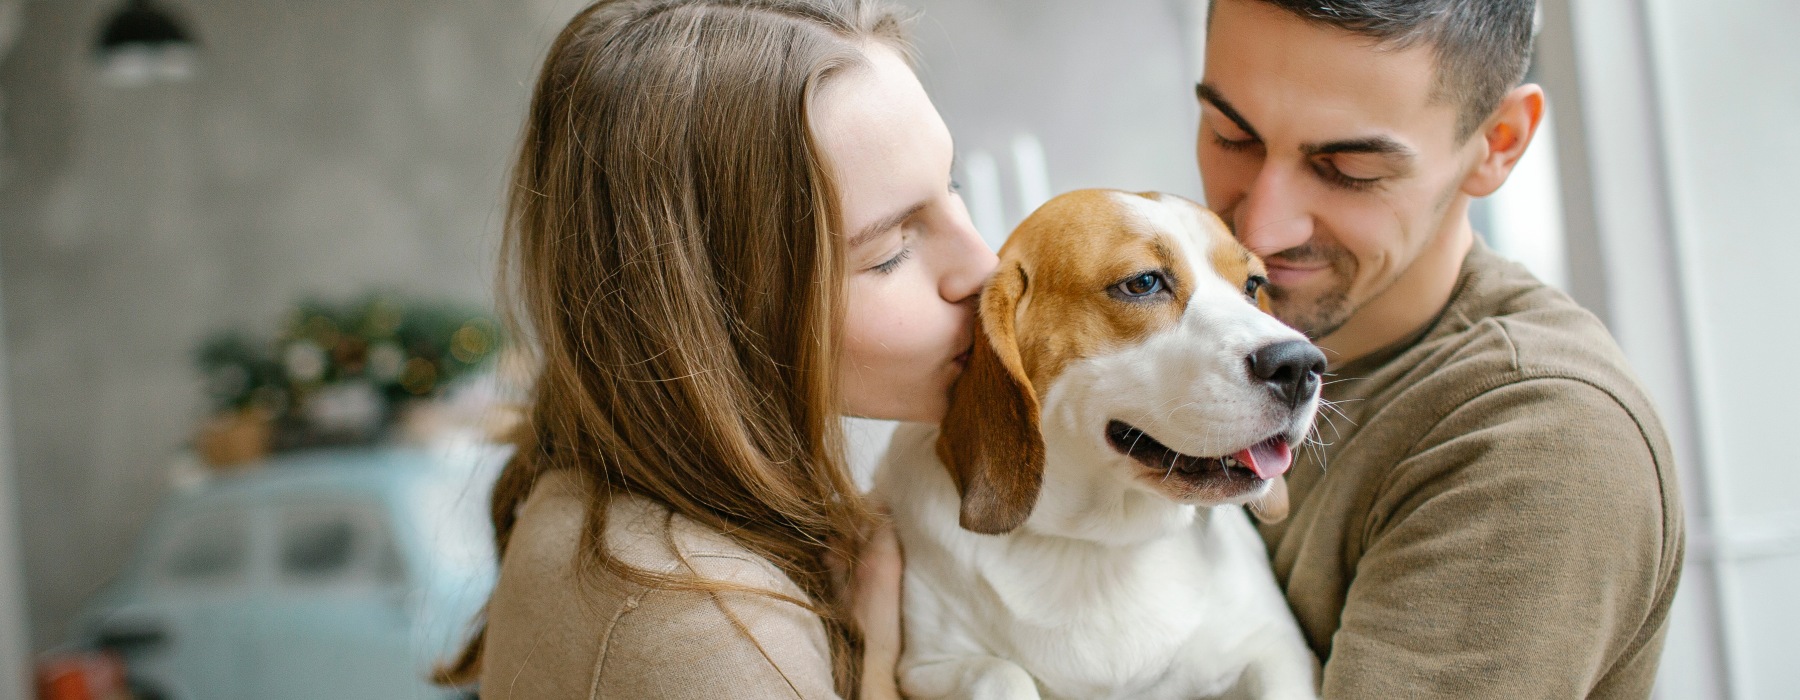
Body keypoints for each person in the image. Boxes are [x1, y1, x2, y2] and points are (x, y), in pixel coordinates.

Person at [434, 1, 992, 697]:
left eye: (953, 187)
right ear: (716, 309)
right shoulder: (705, 634)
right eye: (889, 252)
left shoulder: (614, 504)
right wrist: (880, 669)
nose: (986, 266)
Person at [1193, 0, 1684, 696]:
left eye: (1350, 168)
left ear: (1500, 142)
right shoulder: (1177, 348)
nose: (1262, 228)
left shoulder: (1539, 438)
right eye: (1230, 135)